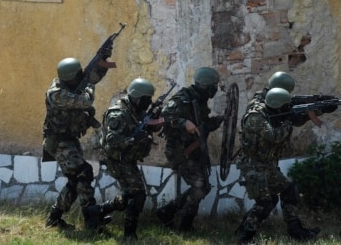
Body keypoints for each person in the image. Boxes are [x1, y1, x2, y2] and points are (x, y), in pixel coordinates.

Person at [236, 87, 320, 243]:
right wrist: (289, 122)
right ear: (277, 105)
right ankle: (245, 237)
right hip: (253, 166)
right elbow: (274, 136)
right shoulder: (256, 117)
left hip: (267, 164)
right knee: (266, 202)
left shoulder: (271, 113)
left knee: (289, 190)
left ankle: (295, 229)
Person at [42, 56, 112, 231]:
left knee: (75, 181)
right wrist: (89, 83)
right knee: (83, 173)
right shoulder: (56, 93)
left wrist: (102, 63)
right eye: (79, 74)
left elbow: (92, 79)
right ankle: (92, 218)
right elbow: (86, 100)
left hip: (69, 140)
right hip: (58, 141)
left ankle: (54, 218)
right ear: (71, 77)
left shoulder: (73, 87)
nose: (82, 77)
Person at [155, 67, 224, 232]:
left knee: (203, 187)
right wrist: (183, 123)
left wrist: (220, 119)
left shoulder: (199, 100)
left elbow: (203, 127)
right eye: (214, 85)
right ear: (206, 85)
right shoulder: (182, 98)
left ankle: (167, 211)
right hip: (180, 152)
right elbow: (163, 117)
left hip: (194, 151)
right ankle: (184, 226)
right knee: (200, 187)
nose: (215, 89)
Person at [100, 78, 164, 240]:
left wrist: (155, 118)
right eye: (146, 99)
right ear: (136, 97)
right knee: (137, 194)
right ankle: (129, 234)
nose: (148, 102)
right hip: (117, 159)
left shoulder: (135, 110)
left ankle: (99, 211)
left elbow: (149, 126)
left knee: (130, 196)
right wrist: (134, 139)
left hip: (127, 159)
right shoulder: (118, 113)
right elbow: (112, 140)